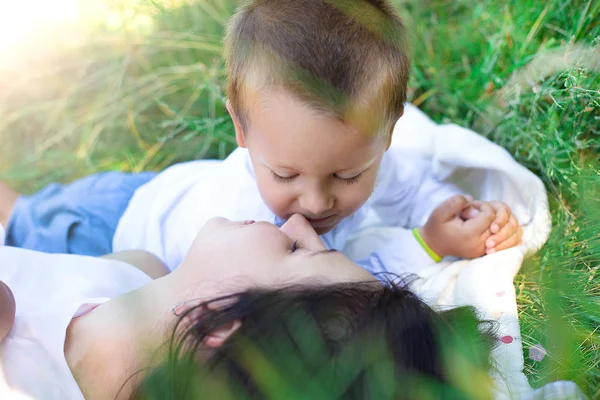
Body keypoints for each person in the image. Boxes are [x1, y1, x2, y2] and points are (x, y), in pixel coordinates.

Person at [0, 0, 522, 273]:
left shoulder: (368, 157)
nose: (317, 201)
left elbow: (407, 187)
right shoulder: (250, 226)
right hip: (109, 231)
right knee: (21, 229)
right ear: (240, 128)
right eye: (286, 174)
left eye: (347, 174)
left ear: (388, 134)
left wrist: (448, 210)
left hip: (163, 193)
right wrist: (427, 246)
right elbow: (332, 292)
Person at [0, 215, 495, 400]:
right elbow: (134, 266)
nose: (299, 221)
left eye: (298, 250)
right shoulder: (139, 284)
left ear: (219, 318)